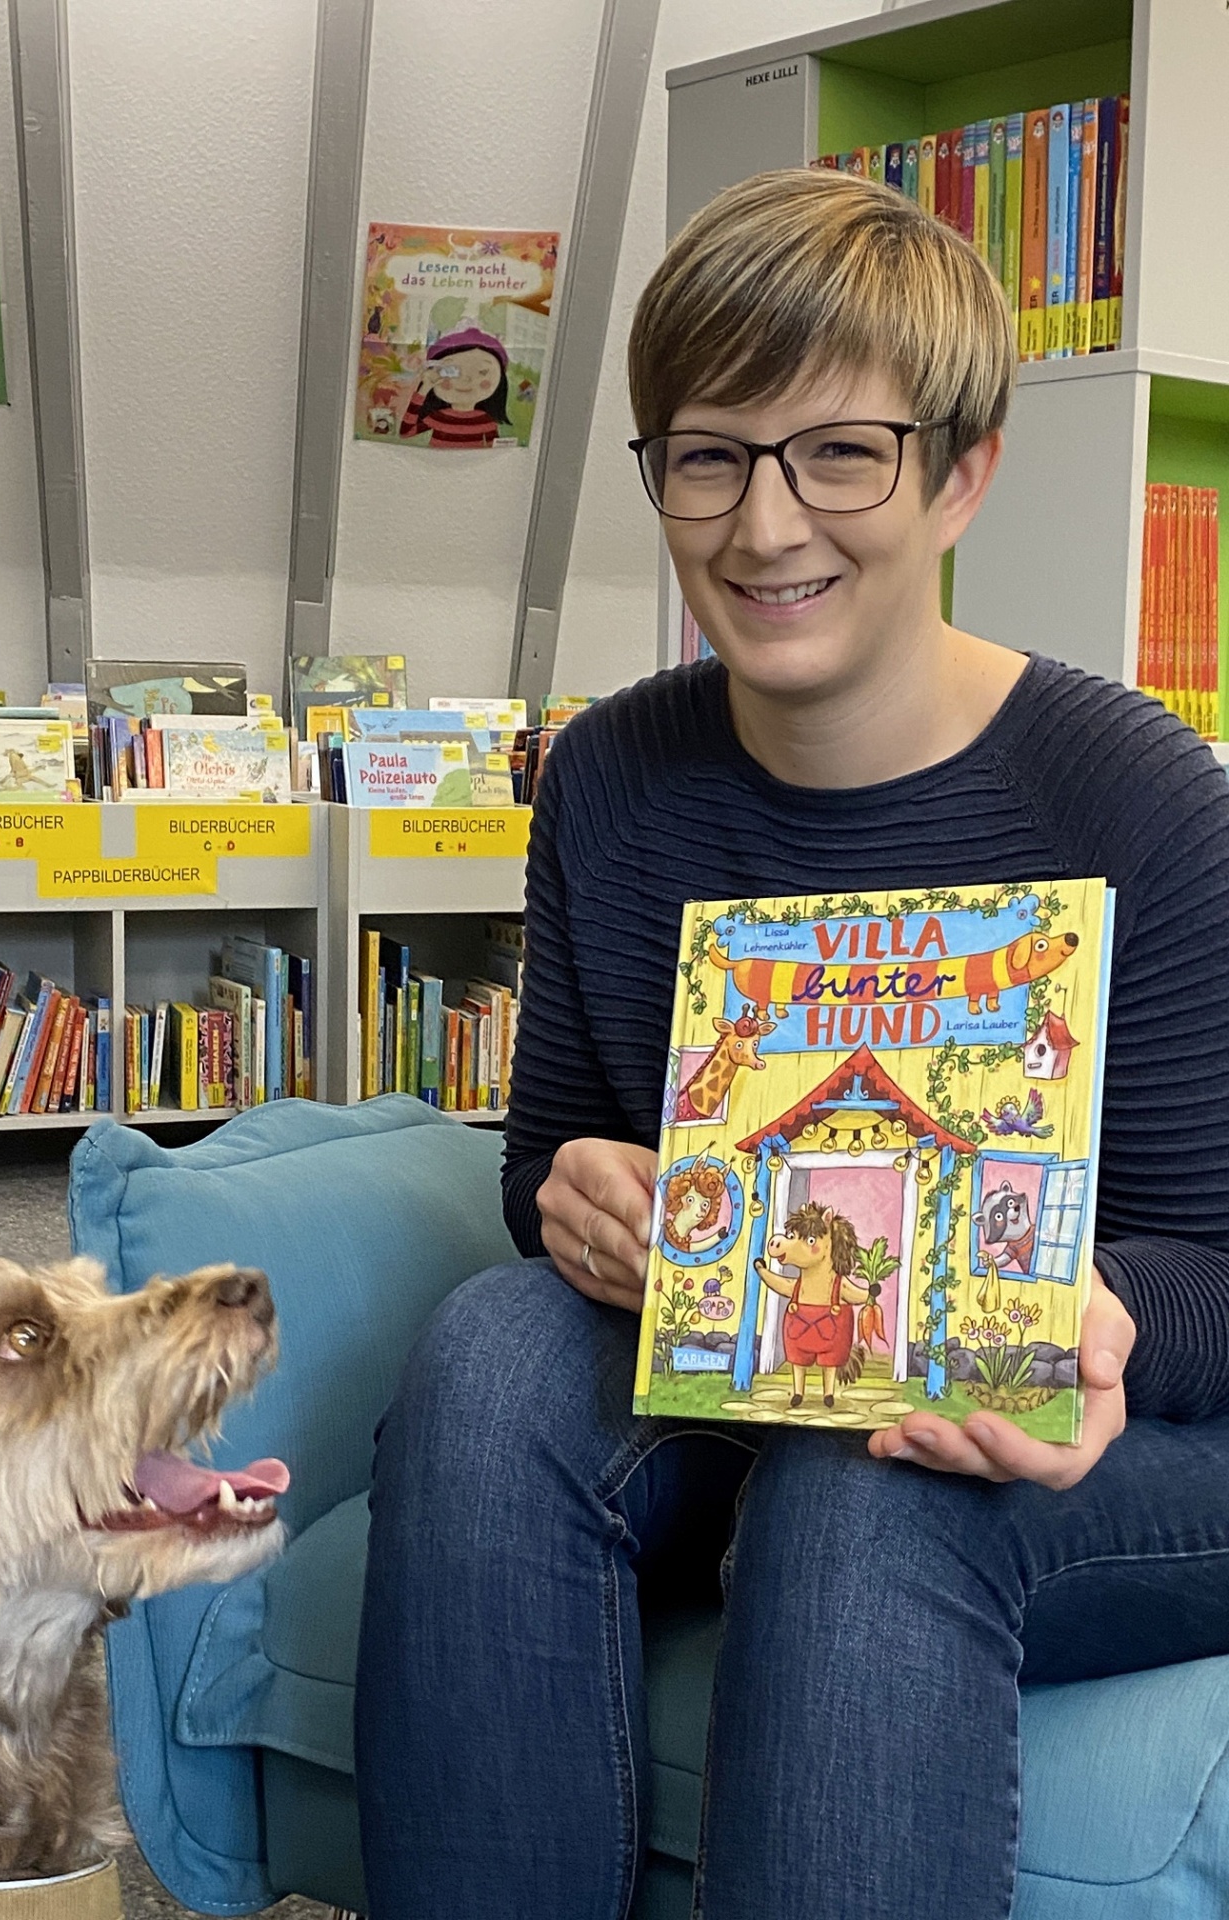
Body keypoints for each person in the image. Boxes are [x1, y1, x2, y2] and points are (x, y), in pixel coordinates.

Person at [355, 168, 1229, 1918]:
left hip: (1115, 1433)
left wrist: (1105, 1313)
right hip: (750, 1353)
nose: (764, 528)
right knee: (486, 1356)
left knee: (871, 1475)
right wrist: (579, 1197)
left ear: (961, 470)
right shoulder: (607, 779)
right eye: (708, 454)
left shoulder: (1136, 795)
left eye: (842, 452)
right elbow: (557, 1152)